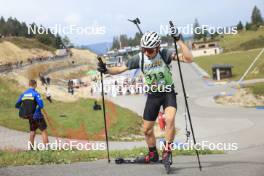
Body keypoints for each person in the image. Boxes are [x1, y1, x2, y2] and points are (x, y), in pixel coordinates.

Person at [97, 31, 193, 163]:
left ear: (158, 48)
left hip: (167, 93)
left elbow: (188, 59)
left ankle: (167, 151)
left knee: (169, 119)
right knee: (147, 130)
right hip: (153, 96)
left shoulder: (164, 54)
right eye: (144, 49)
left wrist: (179, 41)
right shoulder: (139, 58)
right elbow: (120, 69)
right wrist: (106, 70)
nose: (146, 53)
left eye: (150, 50)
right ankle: (153, 154)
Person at [15, 80, 49, 148]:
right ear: (35, 85)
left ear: (29, 85)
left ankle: (31, 148)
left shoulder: (23, 94)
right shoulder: (35, 94)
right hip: (38, 116)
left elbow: (17, 105)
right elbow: (41, 105)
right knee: (43, 131)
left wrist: (23, 109)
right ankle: (47, 148)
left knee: (32, 131)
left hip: (30, 116)